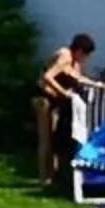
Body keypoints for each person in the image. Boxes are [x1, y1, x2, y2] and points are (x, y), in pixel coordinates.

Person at [38, 35, 98, 186]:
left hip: (55, 100)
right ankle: (43, 177)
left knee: (54, 138)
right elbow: (47, 77)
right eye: (85, 54)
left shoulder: (74, 62)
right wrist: (64, 94)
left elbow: (78, 78)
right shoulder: (65, 55)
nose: (85, 58)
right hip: (43, 98)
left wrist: (97, 85)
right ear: (78, 50)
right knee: (45, 139)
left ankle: (53, 175)